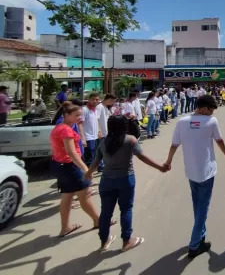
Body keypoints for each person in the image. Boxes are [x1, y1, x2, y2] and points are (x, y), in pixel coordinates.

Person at [163, 95, 225, 259]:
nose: (212, 113)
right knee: (203, 208)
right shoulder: (211, 121)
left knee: (197, 204)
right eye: (210, 110)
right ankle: (194, 245)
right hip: (207, 172)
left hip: (191, 172)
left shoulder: (182, 122)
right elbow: (220, 141)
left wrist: (168, 161)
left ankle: (201, 235)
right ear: (203, 108)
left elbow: (175, 144)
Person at [86, 115, 167, 252]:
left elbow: (95, 162)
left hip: (106, 181)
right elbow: (142, 157)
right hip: (125, 179)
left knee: (106, 211)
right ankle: (127, 241)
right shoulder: (130, 140)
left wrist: (88, 174)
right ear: (124, 126)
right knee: (126, 209)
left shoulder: (103, 142)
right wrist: (160, 167)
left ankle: (104, 240)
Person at [50, 102, 104, 237]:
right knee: (85, 196)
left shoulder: (61, 127)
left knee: (67, 197)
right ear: (67, 115)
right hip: (70, 166)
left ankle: (65, 227)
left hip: (61, 165)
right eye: (77, 115)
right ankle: (98, 221)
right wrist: (86, 169)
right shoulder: (66, 130)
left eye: (80, 115)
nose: (80, 117)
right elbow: (71, 152)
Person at [82, 92, 103, 170]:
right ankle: (87, 180)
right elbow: (80, 124)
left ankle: (89, 178)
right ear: (89, 100)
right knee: (89, 160)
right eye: (93, 99)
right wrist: (82, 137)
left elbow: (96, 121)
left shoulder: (95, 109)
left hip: (95, 137)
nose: (95, 101)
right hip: (87, 138)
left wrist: (99, 130)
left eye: (96, 99)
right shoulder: (85, 110)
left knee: (94, 157)